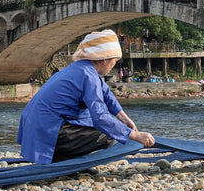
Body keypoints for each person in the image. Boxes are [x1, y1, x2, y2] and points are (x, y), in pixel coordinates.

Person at [17, 30, 156, 163]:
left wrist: (125, 119)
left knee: (98, 122)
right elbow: (100, 117)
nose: (114, 65)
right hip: (45, 130)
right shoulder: (88, 75)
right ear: (104, 60)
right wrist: (135, 136)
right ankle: (63, 160)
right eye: (114, 61)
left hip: (35, 126)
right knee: (106, 135)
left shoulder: (82, 68)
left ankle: (66, 159)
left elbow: (106, 95)